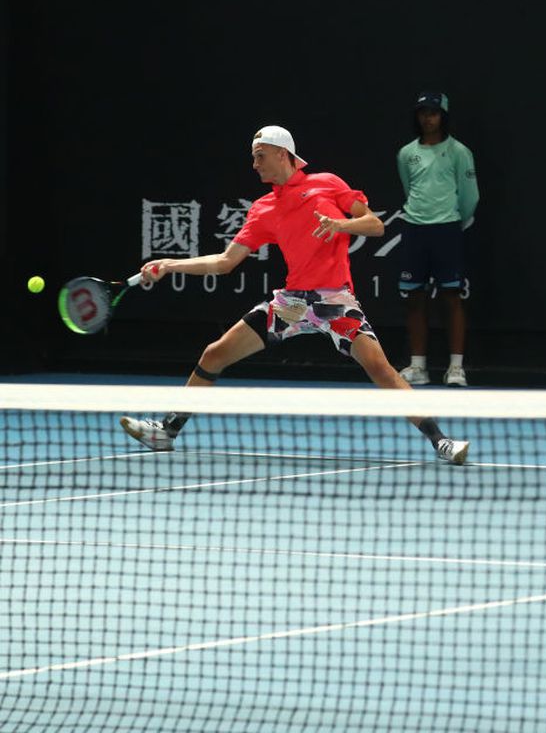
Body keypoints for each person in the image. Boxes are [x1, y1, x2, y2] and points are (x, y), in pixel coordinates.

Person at [119, 125, 469, 465]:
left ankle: (441, 441)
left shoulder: (327, 184)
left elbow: (375, 225)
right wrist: (169, 264)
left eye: (260, 156)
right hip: (292, 304)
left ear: (282, 154)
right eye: (253, 158)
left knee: (380, 368)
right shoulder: (262, 208)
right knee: (215, 353)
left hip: (334, 302)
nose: (254, 164)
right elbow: (226, 262)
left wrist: (341, 225)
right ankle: (166, 431)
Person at [394, 91, 479, 387]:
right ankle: (418, 368)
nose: (427, 118)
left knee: (451, 297)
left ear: (443, 115)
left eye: (432, 112)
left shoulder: (459, 152)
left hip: (447, 230)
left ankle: (456, 368)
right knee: (414, 299)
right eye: (422, 112)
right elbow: (409, 188)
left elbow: (470, 197)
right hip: (415, 230)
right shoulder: (406, 153)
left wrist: (453, 219)